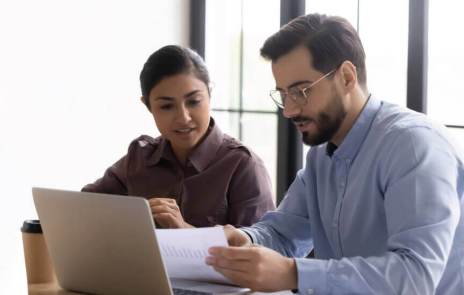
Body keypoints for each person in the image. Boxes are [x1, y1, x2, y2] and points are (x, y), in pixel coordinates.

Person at [205, 14, 464, 294]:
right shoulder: (321, 156)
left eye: (301, 91)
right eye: (283, 95)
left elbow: (415, 276)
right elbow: (283, 232)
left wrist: (294, 274)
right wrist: (244, 240)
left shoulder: (413, 146)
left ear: (347, 77)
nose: (289, 110)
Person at [82, 45, 275, 229]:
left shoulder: (243, 165)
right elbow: (82, 208)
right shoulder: (139, 158)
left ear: (210, 94)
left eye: (193, 101)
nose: (183, 118)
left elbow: (257, 255)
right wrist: (133, 217)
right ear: (148, 106)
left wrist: (185, 231)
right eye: (166, 106)